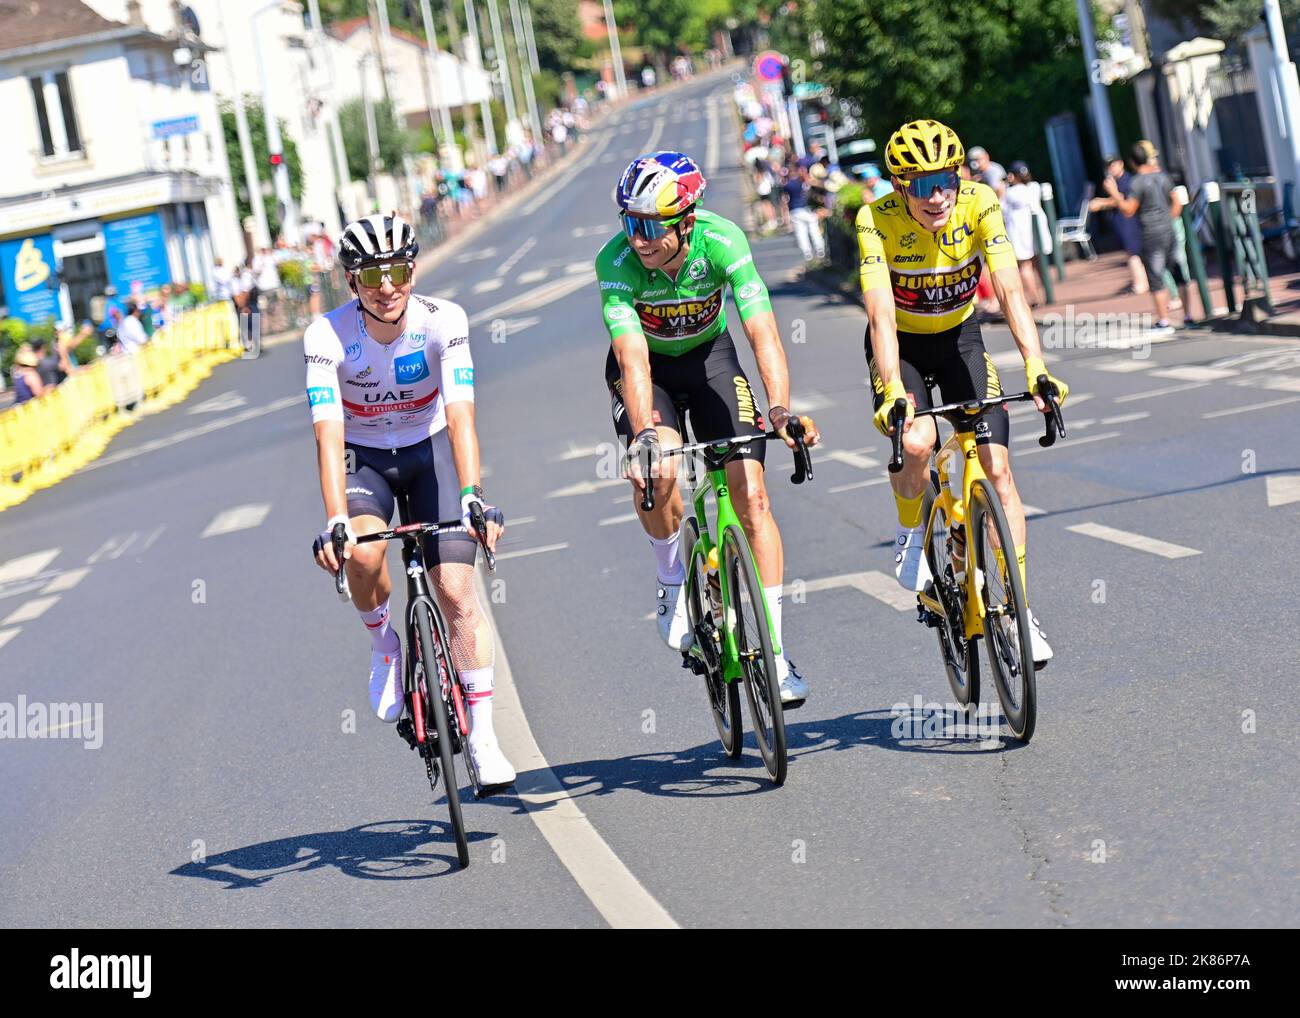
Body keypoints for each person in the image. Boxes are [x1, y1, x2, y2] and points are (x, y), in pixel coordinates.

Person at [594, 151, 823, 706]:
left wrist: (781, 409)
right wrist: (647, 436)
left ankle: (773, 644)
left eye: (650, 225)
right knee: (661, 469)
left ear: (686, 221)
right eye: (630, 222)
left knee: (754, 497)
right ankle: (672, 580)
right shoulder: (617, 262)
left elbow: (761, 331)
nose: (639, 238)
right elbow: (631, 357)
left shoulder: (722, 242)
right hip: (650, 373)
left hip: (712, 361)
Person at [305, 213, 515, 787]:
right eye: (371, 275)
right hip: (365, 459)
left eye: (398, 269)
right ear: (352, 283)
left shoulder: (444, 320)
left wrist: (472, 494)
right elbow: (327, 435)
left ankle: (486, 738)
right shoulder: (326, 336)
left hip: (431, 451)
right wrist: (336, 522)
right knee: (365, 556)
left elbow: (461, 414)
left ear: (414, 269)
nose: (387, 285)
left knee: (453, 588)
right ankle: (385, 644)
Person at [856, 119, 1070, 666]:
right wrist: (892, 392)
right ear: (900, 186)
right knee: (919, 442)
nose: (938, 196)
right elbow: (880, 313)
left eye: (946, 179)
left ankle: (1020, 609)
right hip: (900, 344)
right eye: (922, 186)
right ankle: (910, 536)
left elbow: (1008, 287)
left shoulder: (978, 203)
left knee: (998, 471)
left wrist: (1036, 366)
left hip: (960, 338)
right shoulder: (874, 220)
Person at [1103, 140, 1200, 331]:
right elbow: (1177, 202)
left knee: (1156, 277)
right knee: (1179, 273)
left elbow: (1129, 209)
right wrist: (1168, 218)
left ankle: (1164, 320)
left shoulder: (1136, 182)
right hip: (1168, 230)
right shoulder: (1163, 177)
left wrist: (1114, 193)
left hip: (1150, 234)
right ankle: (1188, 316)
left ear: (1132, 162)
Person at [1090, 155, 1148, 295]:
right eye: (1108, 166)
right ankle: (1139, 282)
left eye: (1113, 165)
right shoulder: (1114, 181)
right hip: (1121, 220)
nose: (1111, 168)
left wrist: (1101, 203)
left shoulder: (1127, 180)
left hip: (1129, 220)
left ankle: (1140, 284)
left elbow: (1124, 200)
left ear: (1121, 164)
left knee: (1133, 252)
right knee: (1130, 253)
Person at [1003, 161, 1048, 306]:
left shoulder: (1011, 192)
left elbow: (1001, 208)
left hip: (1020, 231)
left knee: (1024, 265)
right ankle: (1047, 293)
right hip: (1034, 230)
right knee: (1037, 261)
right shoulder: (1034, 188)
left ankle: (1035, 298)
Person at [783, 162, 827, 265]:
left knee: (801, 233)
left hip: (795, 210)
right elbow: (812, 186)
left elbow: (785, 199)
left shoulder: (787, 185)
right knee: (814, 230)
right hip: (806, 209)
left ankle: (807, 254)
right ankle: (820, 251)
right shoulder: (802, 181)